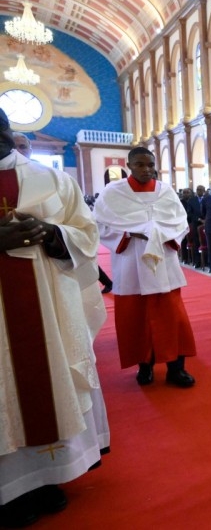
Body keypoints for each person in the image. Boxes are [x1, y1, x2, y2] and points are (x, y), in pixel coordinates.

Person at [0, 108, 109, 527]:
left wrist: (53, 234)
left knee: (49, 375)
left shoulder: (55, 180)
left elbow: (85, 230)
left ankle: (49, 476)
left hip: (49, 304)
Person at [94, 147, 197, 387]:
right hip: (131, 261)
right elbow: (98, 225)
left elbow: (181, 222)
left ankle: (176, 368)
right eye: (140, 165)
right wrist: (129, 234)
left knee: (172, 316)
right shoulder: (113, 193)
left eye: (150, 165)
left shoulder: (166, 191)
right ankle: (145, 366)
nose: (146, 169)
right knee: (138, 317)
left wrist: (163, 234)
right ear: (129, 166)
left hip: (163, 261)